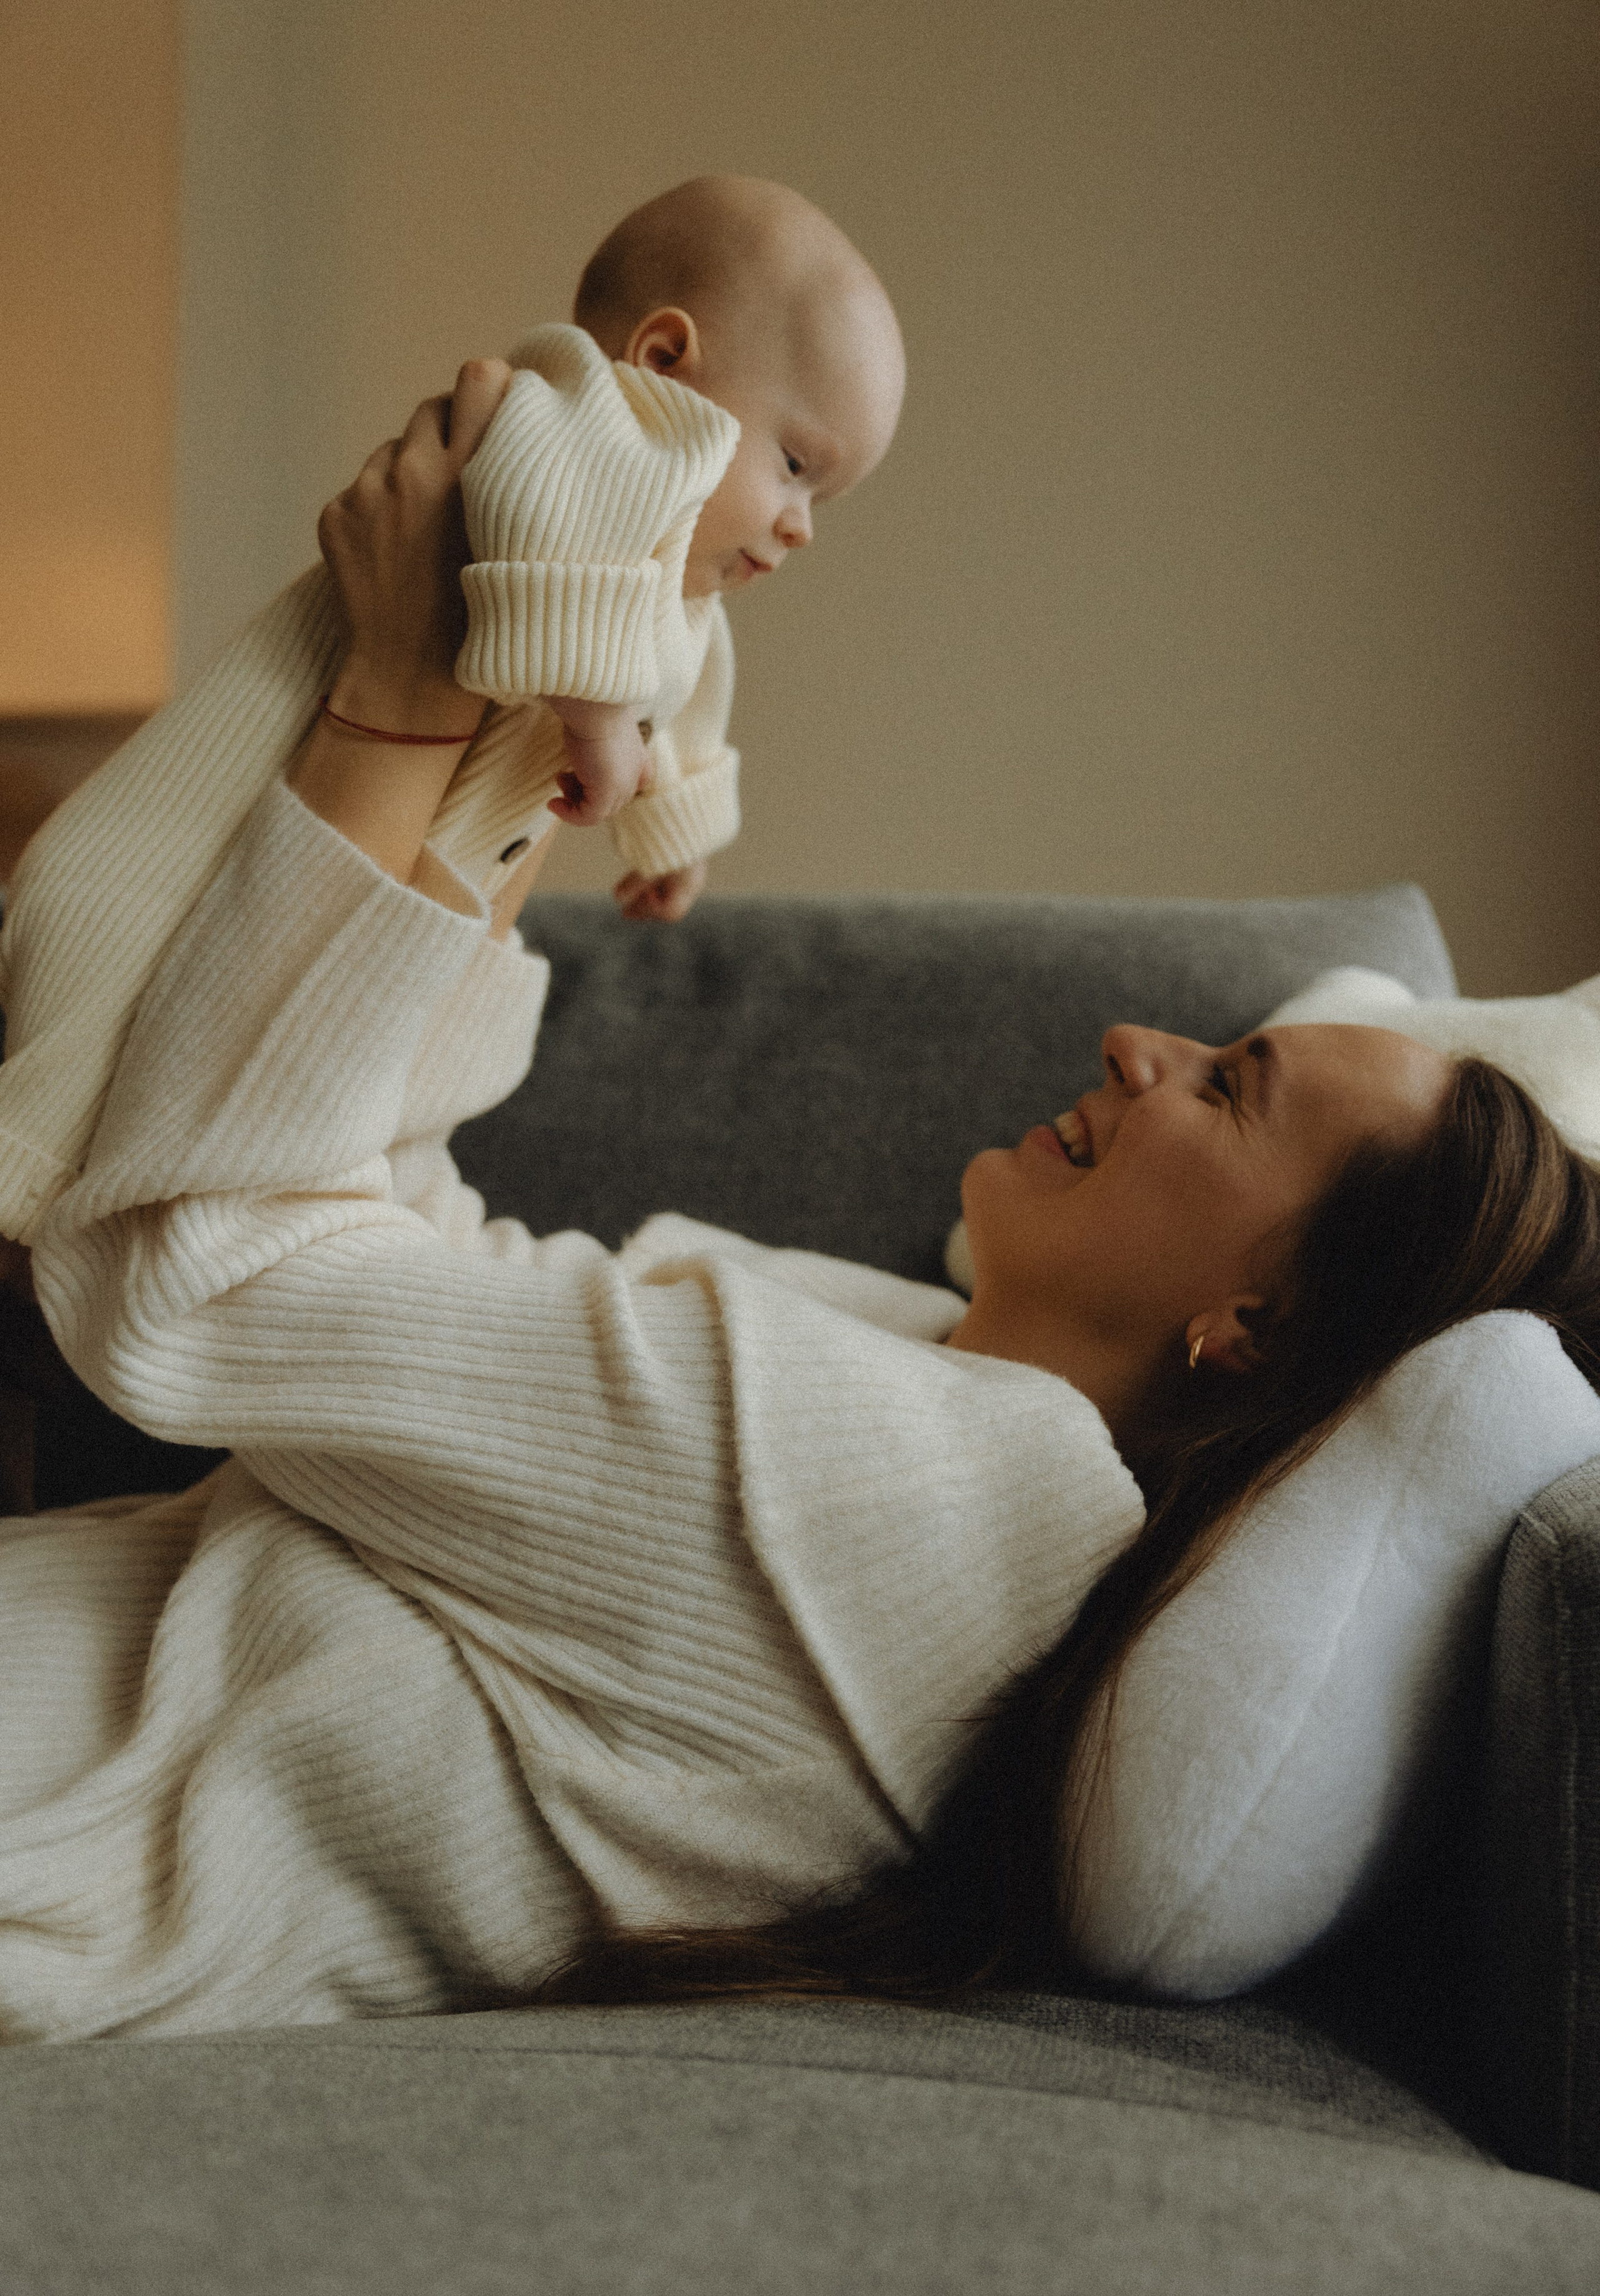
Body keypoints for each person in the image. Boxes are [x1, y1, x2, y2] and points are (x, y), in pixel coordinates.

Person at [2, 368, 1598, 2046]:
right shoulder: (932, 1398)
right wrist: (509, 784)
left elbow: (194, 1281)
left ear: (1254, 1321)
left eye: (1226, 1086)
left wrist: (398, 704)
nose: (1139, 1044)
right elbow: (411, 1260)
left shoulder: (891, 1489)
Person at [0, 175, 905, 1246]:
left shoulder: (674, 590)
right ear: (663, 361)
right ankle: (28, 1168)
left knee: (239, 1058)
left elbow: (685, 688)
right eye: (795, 466)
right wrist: (599, 719)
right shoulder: (563, 414)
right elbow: (534, 526)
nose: (801, 525)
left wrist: (675, 825)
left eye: (821, 500)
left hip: (346, 912)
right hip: (202, 822)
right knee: (102, 980)